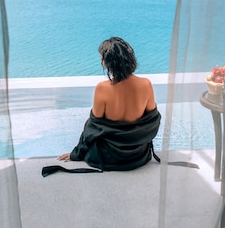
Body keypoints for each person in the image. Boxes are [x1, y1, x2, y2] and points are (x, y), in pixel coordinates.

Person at [57, 37, 161, 171]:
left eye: (102, 58)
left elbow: (93, 127)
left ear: (107, 63)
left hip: (107, 157)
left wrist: (76, 153)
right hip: (137, 156)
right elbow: (152, 121)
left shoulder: (102, 88)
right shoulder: (146, 84)